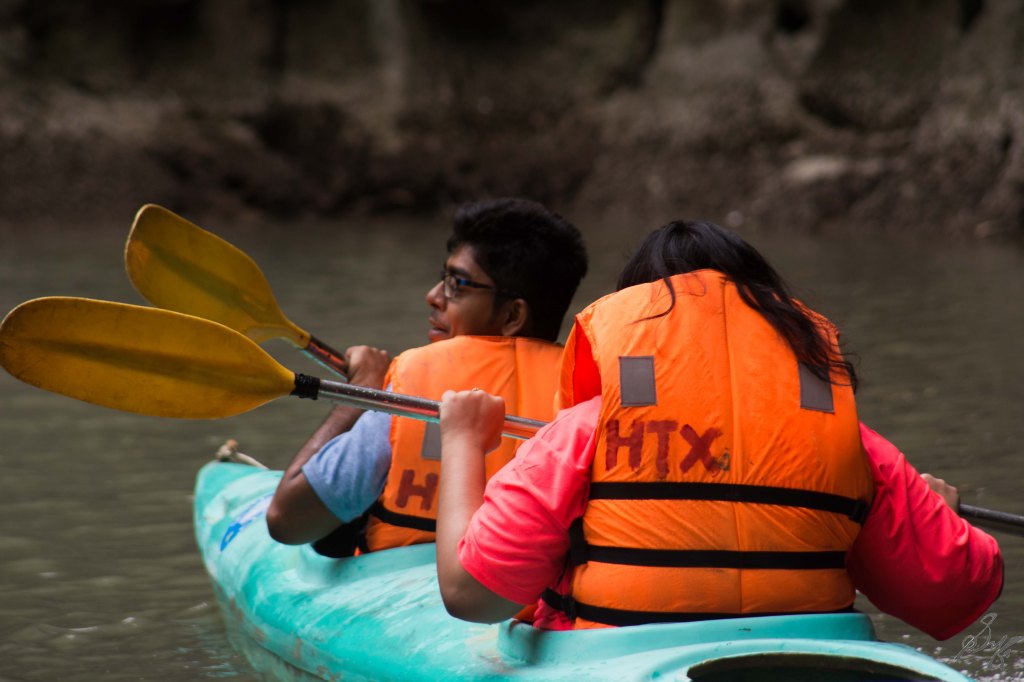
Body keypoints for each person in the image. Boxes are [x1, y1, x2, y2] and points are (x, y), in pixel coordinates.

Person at [435, 220, 1002, 639]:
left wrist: (461, 442)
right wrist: (941, 518)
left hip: (615, 657)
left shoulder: (578, 436)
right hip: (803, 663)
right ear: (776, 326)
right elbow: (958, 596)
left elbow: (472, 596)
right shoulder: (856, 447)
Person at [265, 198, 588, 556]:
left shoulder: (413, 389)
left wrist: (362, 393)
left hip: (407, 590)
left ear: (513, 315)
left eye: (457, 284)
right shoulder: (589, 394)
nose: (433, 296)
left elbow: (285, 520)